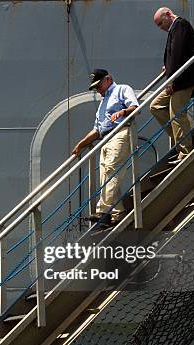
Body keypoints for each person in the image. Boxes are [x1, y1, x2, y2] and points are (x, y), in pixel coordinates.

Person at [72, 69, 138, 228]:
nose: (97, 90)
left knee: (111, 171)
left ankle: (103, 211)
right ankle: (118, 212)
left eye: (98, 85)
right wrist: (81, 144)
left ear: (108, 79)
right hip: (105, 139)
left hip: (120, 132)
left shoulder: (122, 89)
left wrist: (123, 111)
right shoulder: (102, 105)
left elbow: (135, 107)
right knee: (105, 175)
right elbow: (97, 130)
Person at [150, 7, 194, 162]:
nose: (161, 28)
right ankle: (183, 138)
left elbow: (178, 54)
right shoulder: (175, 29)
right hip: (178, 78)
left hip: (184, 79)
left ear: (168, 15)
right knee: (156, 106)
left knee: (176, 113)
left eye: (161, 23)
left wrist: (172, 80)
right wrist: (168, 68)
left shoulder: (180, 25)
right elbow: (175, 54)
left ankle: (185, 150)